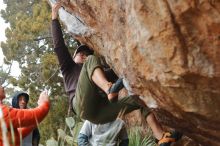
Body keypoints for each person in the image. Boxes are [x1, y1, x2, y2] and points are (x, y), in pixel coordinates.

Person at [51, 2, 182, 146]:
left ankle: (161, 137)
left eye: (86, 53)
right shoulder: (69, 68)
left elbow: (120, 68)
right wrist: (54, 18)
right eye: (80, 53)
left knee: (139, 96)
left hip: (100, 114)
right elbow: (59, 46)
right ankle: (109, 89)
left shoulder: (100, 72)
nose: (84, 55)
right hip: (81, 104)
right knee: (92, 62)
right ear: (74, 56)